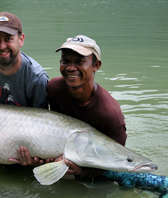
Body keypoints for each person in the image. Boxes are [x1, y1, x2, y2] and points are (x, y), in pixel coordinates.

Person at [46, 35, 127, 178]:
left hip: (91, 170)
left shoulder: (110, 114)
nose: (71, 68)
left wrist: (82, 172)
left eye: (80, 62)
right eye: (65, 61)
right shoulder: (54, 88)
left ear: (96, 66)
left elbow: (116, 159)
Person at [0, 12, 49, 108]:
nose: (2, 46)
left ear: (21, 39)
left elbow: (40, 119)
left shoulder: (37, 79)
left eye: (8, 39)